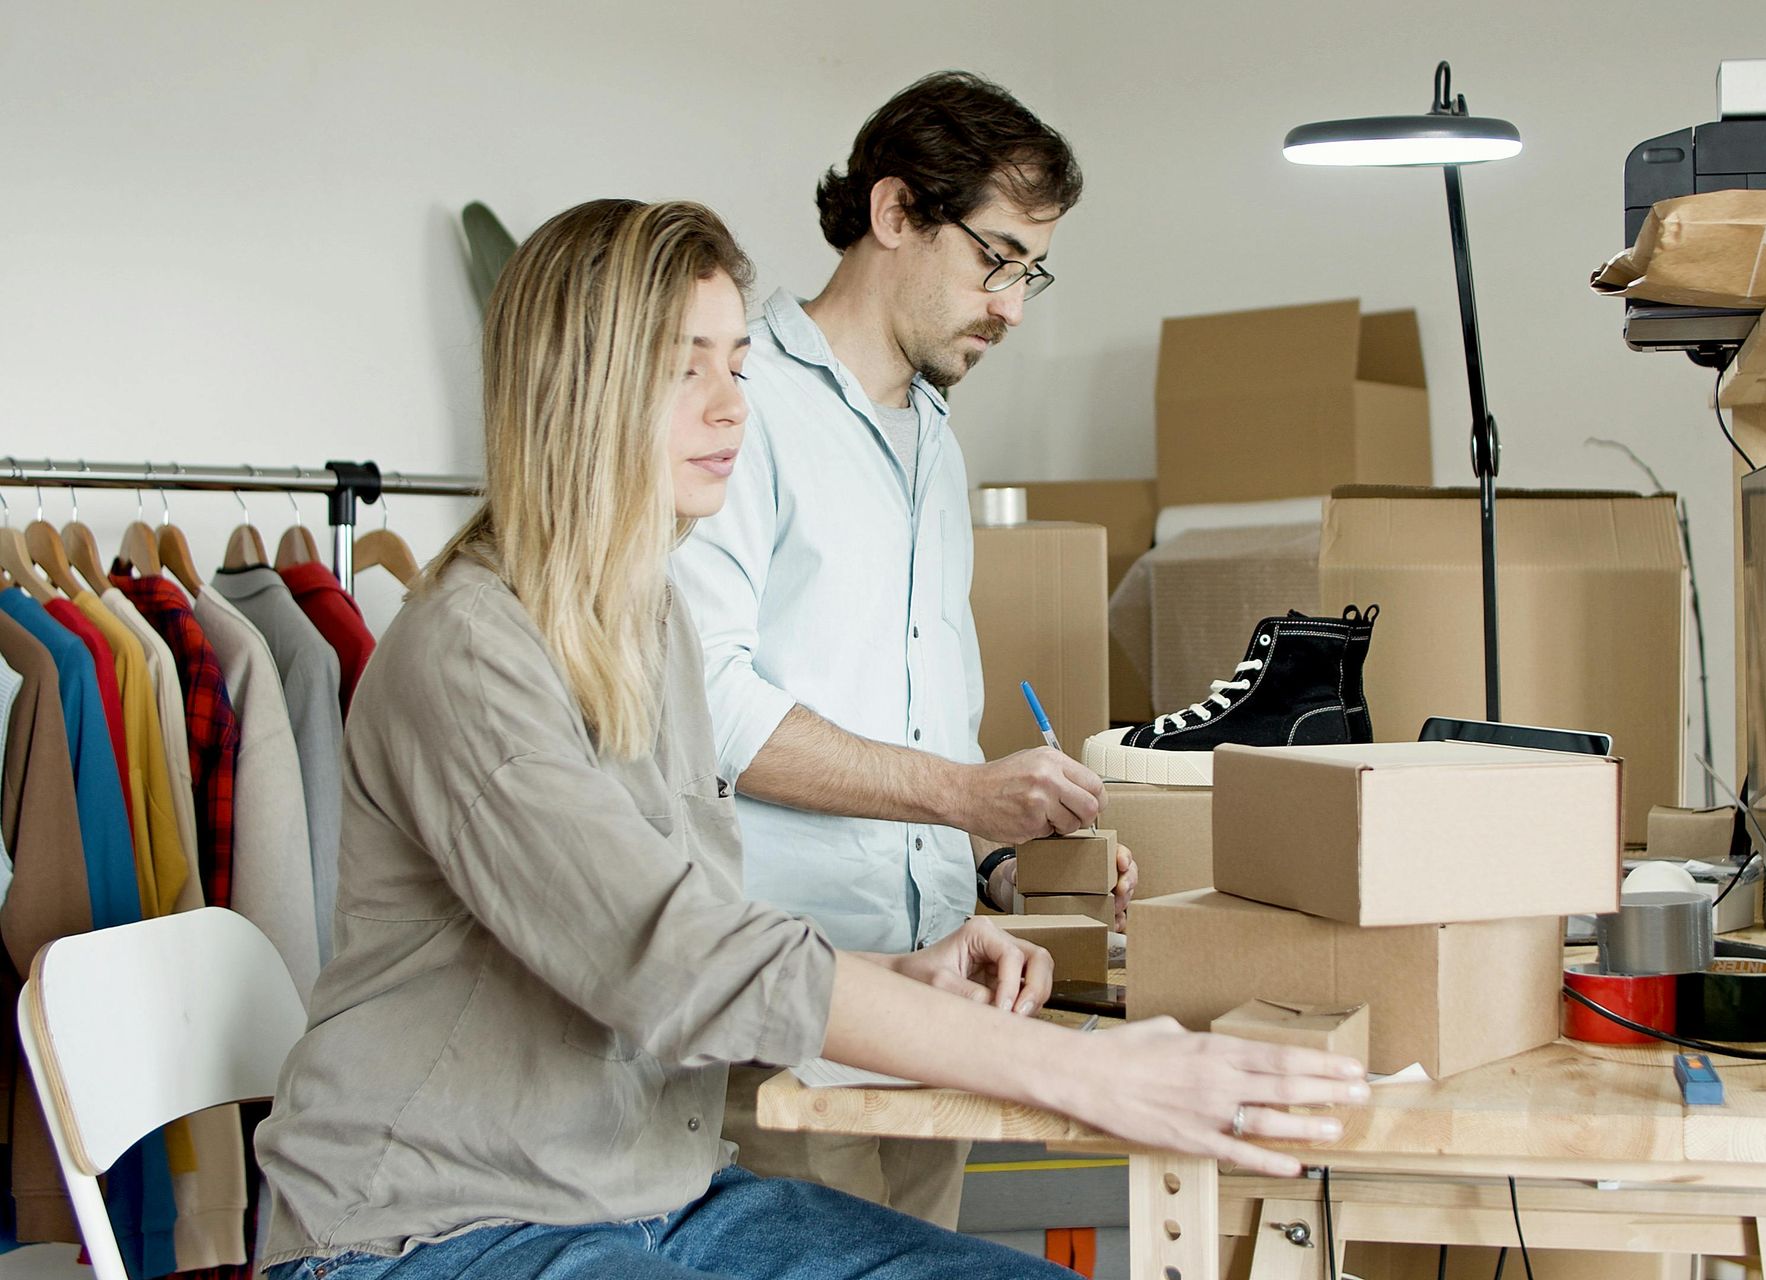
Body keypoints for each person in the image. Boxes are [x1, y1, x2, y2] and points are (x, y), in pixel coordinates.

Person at [254, 198, 1367, 1280]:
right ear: (575, 391)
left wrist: (896, 970)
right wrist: (1086, 1071)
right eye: (684, 366)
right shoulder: (466, 653)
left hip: (650, 1198)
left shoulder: (648, 623)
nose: (731, 406)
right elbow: (673, 952)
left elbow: (684, 936)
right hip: (430, 1229)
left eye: (738, 364)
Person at [672, 71, 1129, 1227]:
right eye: (997, 258)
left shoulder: (933, 438)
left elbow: (909, 719)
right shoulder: (743, 410)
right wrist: (970, 790)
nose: (1013, 305)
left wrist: (1005, 860)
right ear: (893, 214)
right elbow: (708, 708)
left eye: (1032, 272)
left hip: (933, 1000)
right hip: (788, 1012)